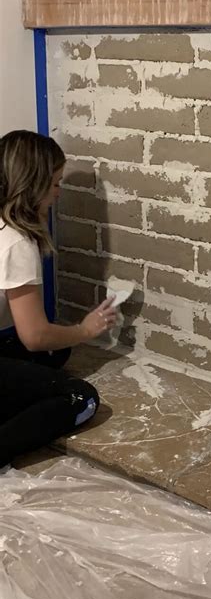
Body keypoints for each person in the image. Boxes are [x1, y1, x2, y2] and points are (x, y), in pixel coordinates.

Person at [0, 130, 117, 467]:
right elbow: (34, 336)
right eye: (54, 183)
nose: (58, 193)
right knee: (81, 398)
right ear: (31, 184)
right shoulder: (17, 243)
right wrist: (85, 330)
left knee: (57, 350)